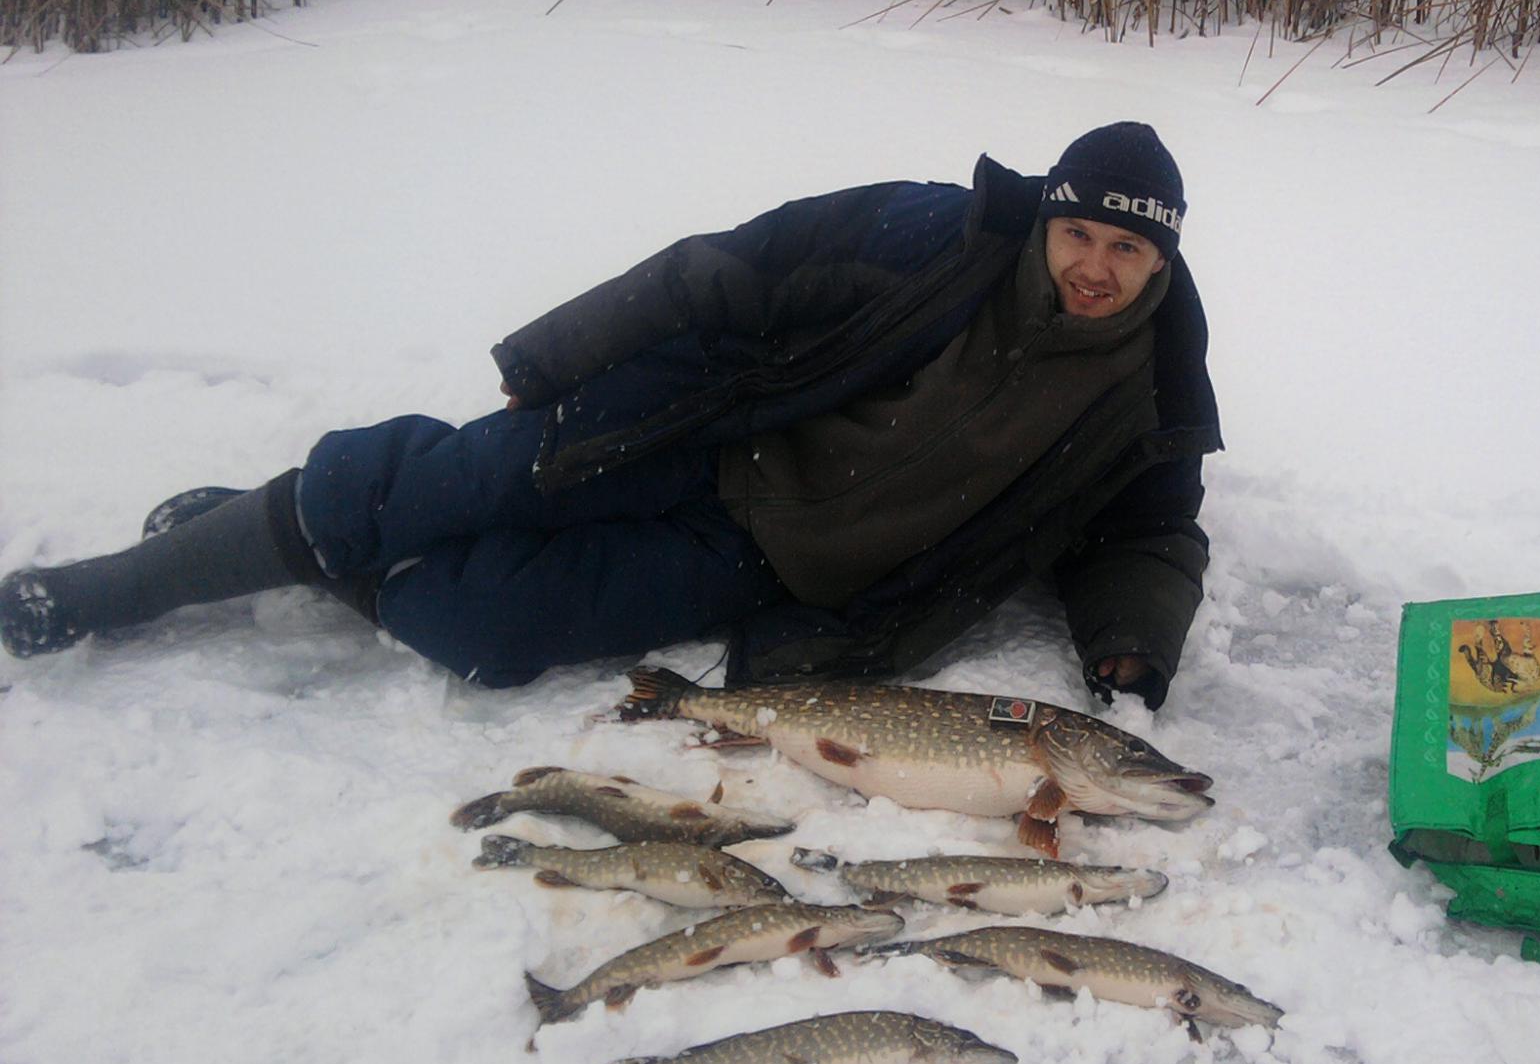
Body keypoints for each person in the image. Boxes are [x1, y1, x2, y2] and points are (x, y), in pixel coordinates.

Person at [0, 123, 1220, 708]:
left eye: (1125, 249)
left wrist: (1131, 638)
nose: (1093, 267)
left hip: (772, 556)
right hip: (698, 423)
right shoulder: (936, 238)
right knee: (427, 486)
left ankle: (289, 544)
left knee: (489, 627)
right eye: (1077, 233)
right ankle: (111, 588)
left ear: (1160, 261)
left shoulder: (1151, 391)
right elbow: (730, 267)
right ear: (1046, 218)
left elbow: (1148, 530)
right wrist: (558, 353)